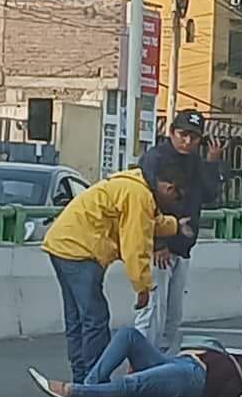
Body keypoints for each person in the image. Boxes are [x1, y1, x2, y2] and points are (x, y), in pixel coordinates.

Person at [40, 159, 192, 384]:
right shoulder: (138, 196)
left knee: (77, 318)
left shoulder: (135, 186)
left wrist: (174, 225)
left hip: (62, 243)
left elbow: (148, 222)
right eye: (177, 197)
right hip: (80, 250)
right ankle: (93, 379)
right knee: (94, 318)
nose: (175, 203)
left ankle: (82, 375)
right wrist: (143, 288)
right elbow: (135, 246)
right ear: (168, 188)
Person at [134, 109, 225, 352]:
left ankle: (158, 367)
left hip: (182, 247)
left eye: (194, 137)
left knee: (172, 318)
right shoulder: (156, 159)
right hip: (159, 249)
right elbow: (145, 203)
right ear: (171, 132)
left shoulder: (195, 161)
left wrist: (212, 162)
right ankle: (139, 364)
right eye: (183, 134)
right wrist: (158, 243)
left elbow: (208, 195)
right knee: (152, 313)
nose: (187, 141)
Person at [27, 326, 242, 397]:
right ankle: (91, 385)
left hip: (195, 379)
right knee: (128, 335)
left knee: (133, 385)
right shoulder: (232, 354)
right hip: (181, 363)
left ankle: (73, 392)